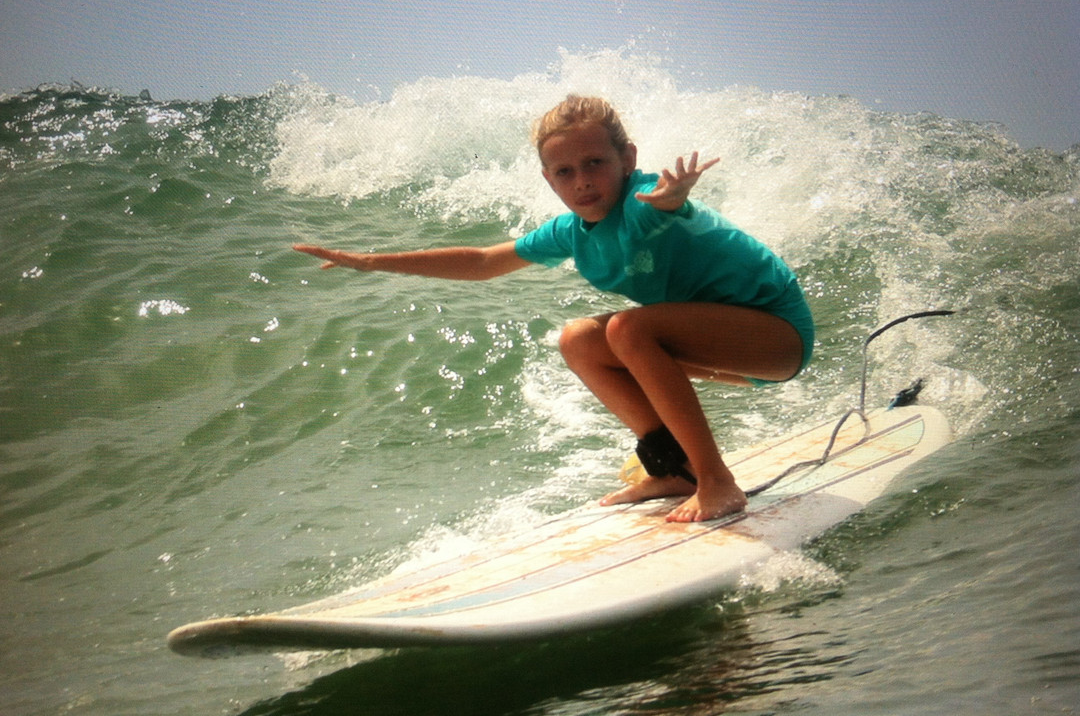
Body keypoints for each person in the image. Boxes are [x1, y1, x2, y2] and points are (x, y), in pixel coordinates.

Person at [294, 95, 814, 522]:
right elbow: (482, 262)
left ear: (627, 160)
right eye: (565, 171)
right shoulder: (571, 232)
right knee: (579, 341)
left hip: (777, 335)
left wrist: (673, 196)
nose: (582, 180)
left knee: (628, 329)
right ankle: (675, 470)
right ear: (548, 179)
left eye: (595, 163)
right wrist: (371, 262)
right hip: (727, 348)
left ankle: (716, 482)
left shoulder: (643, 202)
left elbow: (663, 206)